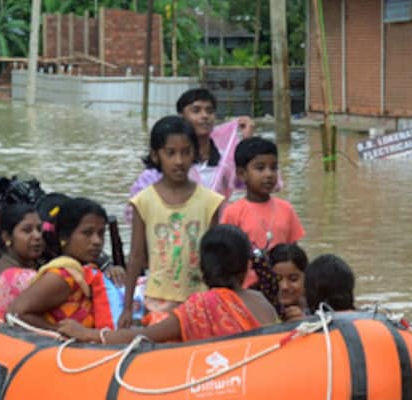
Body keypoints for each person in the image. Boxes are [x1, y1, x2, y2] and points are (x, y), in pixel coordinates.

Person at [60, 225, 276, 344]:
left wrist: (89, 334)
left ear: (202, 267)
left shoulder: (199, 306)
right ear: (246, 267)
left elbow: (143, 337)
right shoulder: (261, 300)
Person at [122, 115, 225, 328]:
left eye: (186, 152)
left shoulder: (210, 202)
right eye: (170, 153)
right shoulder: (143, 201)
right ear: (156, 155)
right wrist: (127, 308)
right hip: (158, 301)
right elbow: (136, 256)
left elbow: (215, 259)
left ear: (195, 153)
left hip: (200, 300)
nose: (179, 161)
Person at [125, 88, 257, 221]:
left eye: (210, 111)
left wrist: (249, 143)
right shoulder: (160, 169)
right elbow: (134, 213)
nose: (205, 116)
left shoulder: (225, 162)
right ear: (181, 116)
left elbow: (257, 184)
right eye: (196, 110)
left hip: (216, 235)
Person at [7, 198, 115, 331]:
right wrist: (60, 332)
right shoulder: (62, 277)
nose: (97, 241)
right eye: (87, 233)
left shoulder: (87, 271)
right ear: (64, 237)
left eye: (101, 233)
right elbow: (16, 313)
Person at [219, 136, 305, 287]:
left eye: (273, 168)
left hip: (282, 289)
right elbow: (225, 259)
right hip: (247, 291)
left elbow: (295, 256)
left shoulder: (286, 209)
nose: (269, 174)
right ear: (241, 174)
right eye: (260, 168)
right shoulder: (232, 212)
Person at [0, 203, 46, 320]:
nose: (37, 236)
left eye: (39, 229)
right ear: (7, 238)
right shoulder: (13, 274)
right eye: (27, 230)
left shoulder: (9, 261)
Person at [268, 242, 308, 321]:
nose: (284, 286)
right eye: (277, 279)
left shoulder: (318, 309)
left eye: (293, 279)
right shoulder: (256, 309)